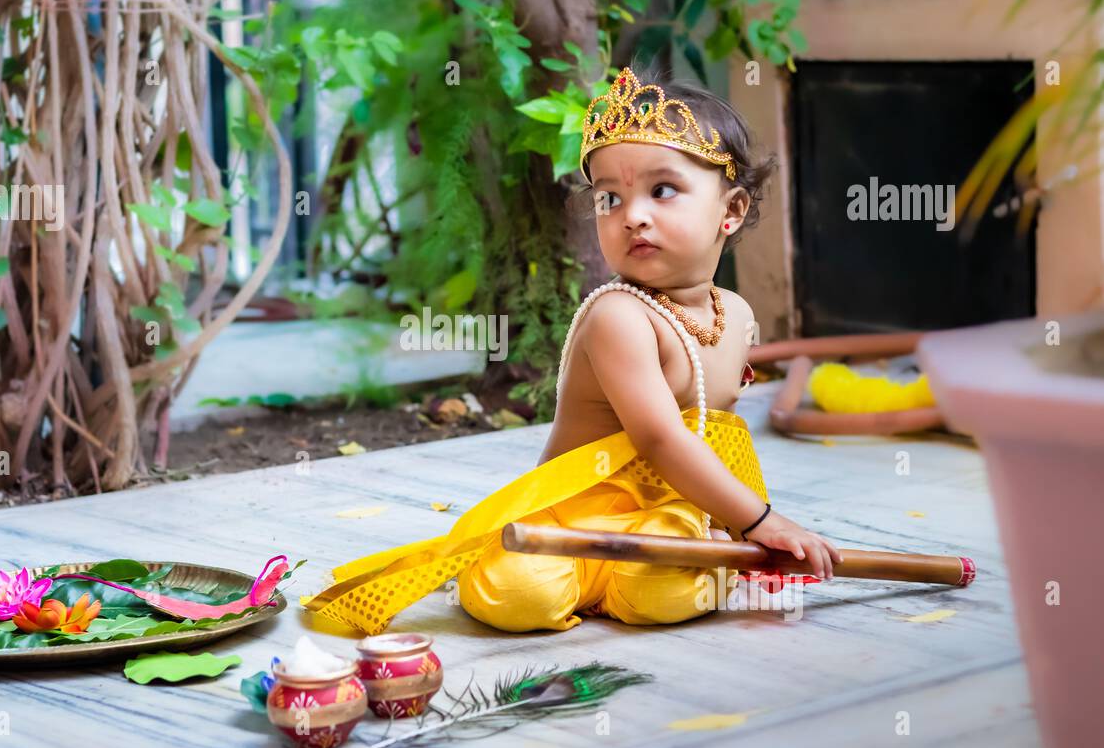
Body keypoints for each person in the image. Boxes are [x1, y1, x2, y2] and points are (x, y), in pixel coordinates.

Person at [302, 66, 842, 636]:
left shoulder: (736, 315)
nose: (632, 214)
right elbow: (662, 439)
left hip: (659, 517)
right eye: (610, 197)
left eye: (662, 190)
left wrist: (736, 528)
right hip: (569, 515)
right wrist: (759, 521)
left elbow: (719, 435)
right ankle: (573, 578)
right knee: (519, 592)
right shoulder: (619, 317)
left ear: (729, 212)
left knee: (668, 582)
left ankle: (638, 578)